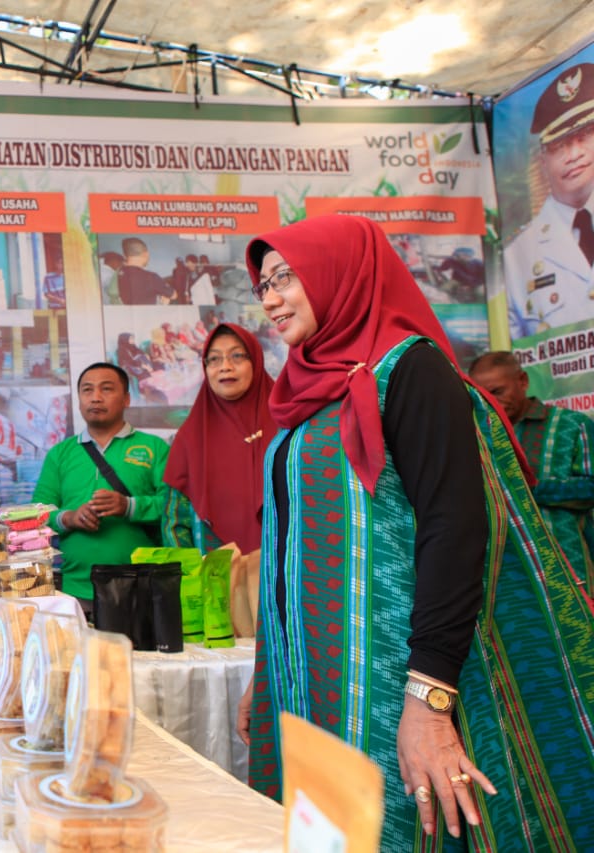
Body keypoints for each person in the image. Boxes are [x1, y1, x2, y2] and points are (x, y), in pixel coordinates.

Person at [238, 214, 594, 849]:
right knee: (332, 831)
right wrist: (266, 672)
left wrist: (428, 702)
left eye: (285, 278)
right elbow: (289, 547)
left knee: (401, 828)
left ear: (338, 273)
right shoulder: (305, 391)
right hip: (309, 678)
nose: (270, 299)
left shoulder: (411, 370)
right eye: (263, 284)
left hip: (391, 673)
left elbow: (454, 530)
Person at [31, 363, 171, 612]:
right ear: (79, 400)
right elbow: (37, 513)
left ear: (126, 399)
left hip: (142, 586)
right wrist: (70, 518)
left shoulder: (155, 448)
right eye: (87, 390)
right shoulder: (60, 454)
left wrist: (128, 506)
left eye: (106, 389)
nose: (95, 397)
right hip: (75, 589)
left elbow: (174, 509)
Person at [469, 350, 594, 587]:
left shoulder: (572, 425)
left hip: (570, 568)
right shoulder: (477, 436)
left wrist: (527, 488)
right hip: (506, 579)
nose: (490, 402)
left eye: (497, 392)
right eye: (482, 396)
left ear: (523, 381)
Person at [163, 323, 276, 554]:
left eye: (237, 356)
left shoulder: (288, 426)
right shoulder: (190, 438)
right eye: (214, 359)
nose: (225, 367)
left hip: (281, 567)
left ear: (256, 361)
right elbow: (174, 522)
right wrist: (190, 572)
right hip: (214, 571)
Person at [504, 62, 594, 338]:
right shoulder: (517, 255)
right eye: (558, 146)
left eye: (583, 136)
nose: (573, 155)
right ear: (543, 160)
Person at [117, 238, 169, 304]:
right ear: (146, 254)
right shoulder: (151, 277)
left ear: (124, 255)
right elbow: (174, 295)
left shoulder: (117, 275)